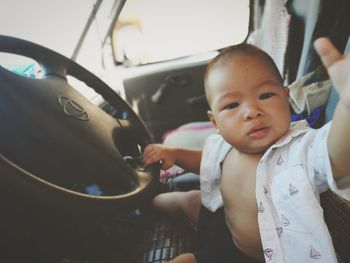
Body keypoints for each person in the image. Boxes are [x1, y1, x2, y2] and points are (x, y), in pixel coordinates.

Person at [143, 37, 350, 263]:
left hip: (244, 256)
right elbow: (205, 162)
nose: (252, 111)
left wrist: (346, 108)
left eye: (265, 95)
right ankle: (145, 204)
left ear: (286, 97)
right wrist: (174, 154)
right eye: (232, 105)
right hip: (223, 220)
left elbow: (336, 156)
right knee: (191, 200)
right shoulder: (227, 145)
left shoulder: (300, 151)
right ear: (215, 122)